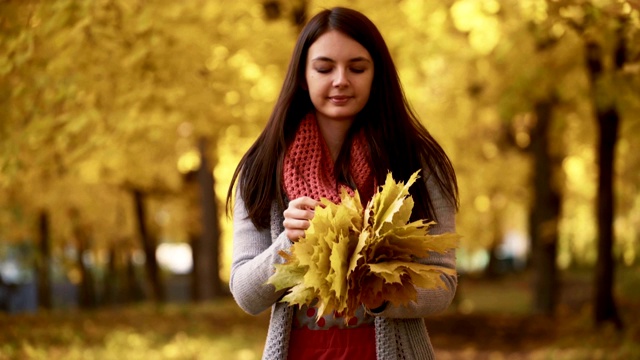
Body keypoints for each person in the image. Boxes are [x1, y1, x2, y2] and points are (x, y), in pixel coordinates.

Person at [227, 6, 459, 360]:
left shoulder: (417, 161)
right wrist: (287, 244)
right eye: (324, 68)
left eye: (357, 68)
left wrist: (379, 288)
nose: (340, 80)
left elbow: (443, 283)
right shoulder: (262, 166)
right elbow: (246, 295)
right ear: (303, 76)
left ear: (376, 75)